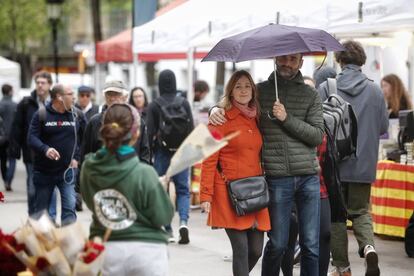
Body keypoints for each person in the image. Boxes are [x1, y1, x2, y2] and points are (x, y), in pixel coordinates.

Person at [210, 53, 324, 276]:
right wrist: (215, 109)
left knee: (310, 245)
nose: (287, 64)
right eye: (283, 58)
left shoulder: (311, 94)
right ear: (275, 60)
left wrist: (286, 118)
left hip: (308, 177)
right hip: (276, 177)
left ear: (300, 62)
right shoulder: (260, 91)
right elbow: (236, 102)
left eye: (293, 60)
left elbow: (317, 136)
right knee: (278, 243)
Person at [318, 40, 388, 276]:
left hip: (334, 163)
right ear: (362, 61)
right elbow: (382, 127)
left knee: (338, 216)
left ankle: (342, 267)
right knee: (360, 211)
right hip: (364, 164)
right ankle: (368, 248)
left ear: (339, 60)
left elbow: (317, 124)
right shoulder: (376, 90)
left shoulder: (328, 87)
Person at [80, 103, 174, 275]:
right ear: (136, 133)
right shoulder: (145, 173)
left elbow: (90, 201)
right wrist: (163, 190)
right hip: (146, 252)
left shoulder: (88, 168)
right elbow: (163, 216)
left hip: (103, 250)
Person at [200, 70, 270, 276]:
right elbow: (209, 160)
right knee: (241, 250)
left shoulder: (256, 117)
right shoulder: (219, 119)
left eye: (247, 85)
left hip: (255, 191)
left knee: (256, 250)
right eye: (238, 86)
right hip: (229, 194)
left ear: (253, 90)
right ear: (230, 91)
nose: (243, 90)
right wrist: (206, 195)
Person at [146, 69, 194, 244]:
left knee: (162, 190)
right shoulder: (184, 102)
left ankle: (167, 229)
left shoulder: (154, 105)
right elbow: (191, 130)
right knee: (183, 190)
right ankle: (183, 222)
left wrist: (149, 156)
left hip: (162, 153)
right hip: (182, 152)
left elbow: (149, 132)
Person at [27, 84, 85, 225]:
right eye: (71, 94)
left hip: (68, 171)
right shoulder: (41, 114)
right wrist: (45, 149)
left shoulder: (77, 115)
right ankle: (44, 242)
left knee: (70, 207)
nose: (74, 97)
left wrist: (77, 158)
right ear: (59, 97)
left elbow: (84, 139)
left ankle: (68, 242)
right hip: (44, 172)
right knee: (41, 212)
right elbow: (31, 138)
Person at [9, 71, 52, 214]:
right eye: (38, 82)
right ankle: (33, 217)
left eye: (43, 83)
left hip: (52, 153)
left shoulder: (56, 102)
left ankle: (49, 219)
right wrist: (15, 149)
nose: (40, 86)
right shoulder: (26, 103)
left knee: (51, 187)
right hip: (32, 153)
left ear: (49, 85)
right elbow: (17, 127)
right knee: (32, 188)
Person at [80, 81, 150, 164]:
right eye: (109, 94)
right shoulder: (95, 122)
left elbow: (145, 153)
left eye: (116, 94)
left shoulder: (137, 121)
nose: (112, 98)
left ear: (125, 97)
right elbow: (86, 154)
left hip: (132, 173)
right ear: (104, 97)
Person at [0, 84, 17, 191]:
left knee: (2, 159)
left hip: (1, 137)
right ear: (10, 92)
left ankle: (5, 178)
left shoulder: (0, 105)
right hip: (13, 137)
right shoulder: (15, 105)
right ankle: (8, 181)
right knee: (12, 159)